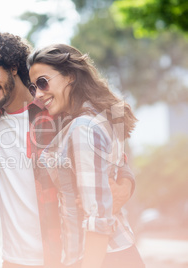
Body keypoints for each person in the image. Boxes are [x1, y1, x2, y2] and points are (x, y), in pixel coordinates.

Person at [0, 27, 136, 267]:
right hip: (15, 259)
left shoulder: (60, 111)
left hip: (69, 256)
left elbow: (114, 160)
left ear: (12, 65)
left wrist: (126, 184)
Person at [28, 43, 145, 268]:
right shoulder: (92, 119)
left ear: (70, 76)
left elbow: (98, 219)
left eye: (42, 83)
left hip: (102, 257)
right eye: (34, 88)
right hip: (107, 253)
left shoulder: (84, 127)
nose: (38, 94)